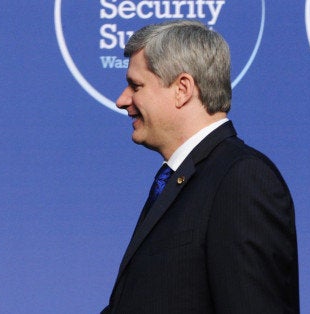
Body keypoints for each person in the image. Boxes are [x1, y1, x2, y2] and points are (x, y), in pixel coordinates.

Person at [102, 20, 299, 313]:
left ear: (182, 89)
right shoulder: (180, 179)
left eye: (136, 85)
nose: (122, 100)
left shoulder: (241, 180)